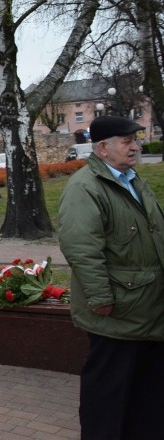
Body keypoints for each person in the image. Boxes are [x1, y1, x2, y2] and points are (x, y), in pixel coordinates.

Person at [58, 115, 164, 439]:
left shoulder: (133, 180)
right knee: (107, 396)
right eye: (127, 141)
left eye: (136, 140)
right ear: (103, 148)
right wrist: (101, 298)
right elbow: (81, 248)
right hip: (117, 312)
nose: (135, 146)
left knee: (147, 394)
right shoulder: (85, 187)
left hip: (148, 309)